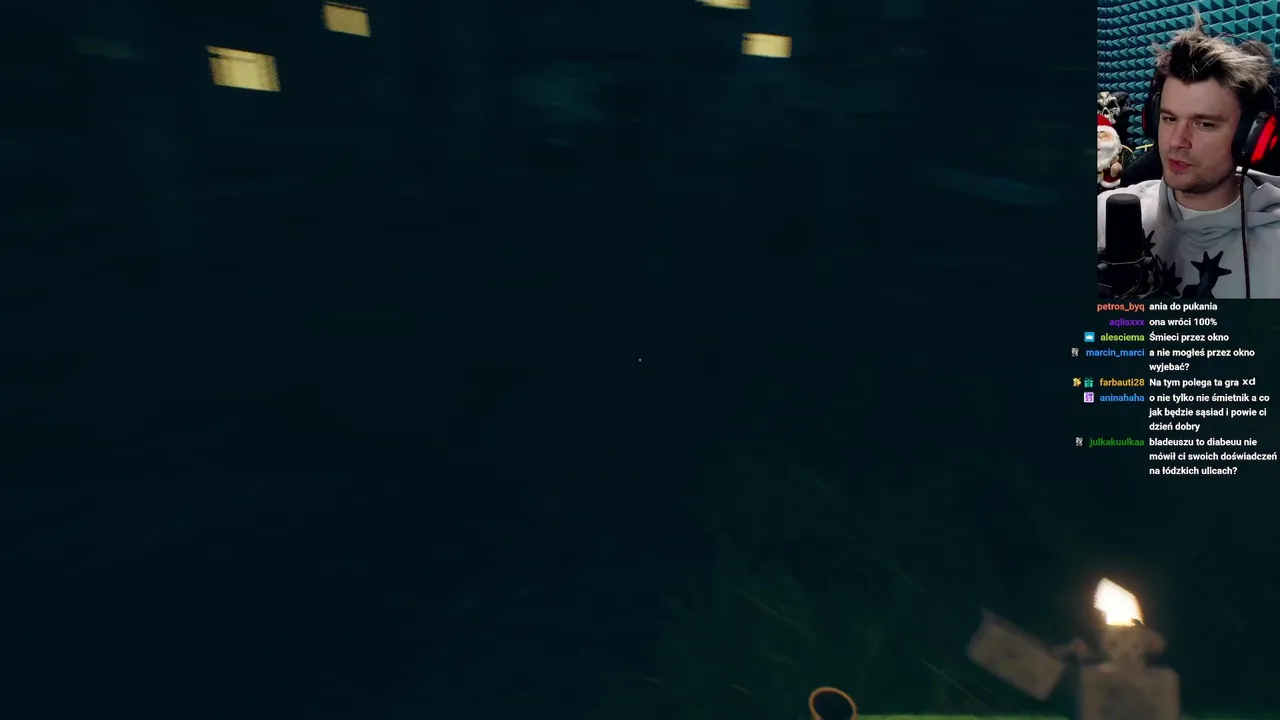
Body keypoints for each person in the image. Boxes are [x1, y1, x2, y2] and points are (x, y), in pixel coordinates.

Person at [1097, 17, 1280, 298]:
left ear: (1251, 136)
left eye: (1204, 124)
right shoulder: (1107, 214)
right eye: (1169, 118)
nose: (1176, 141)